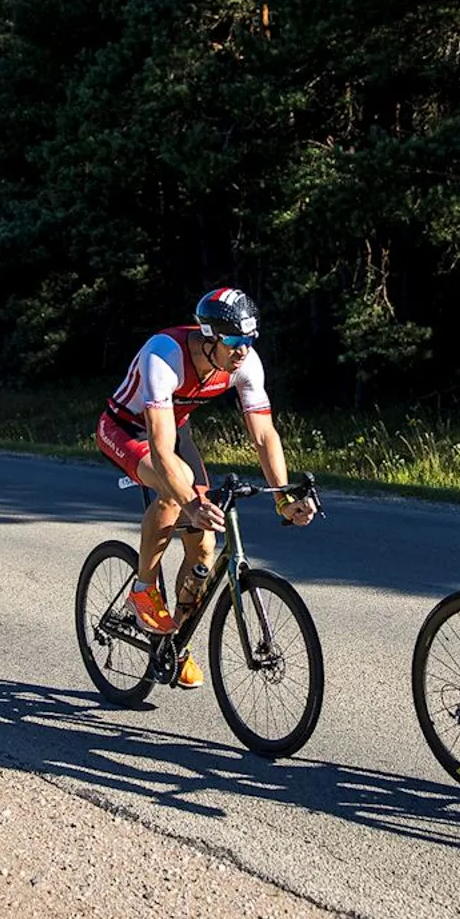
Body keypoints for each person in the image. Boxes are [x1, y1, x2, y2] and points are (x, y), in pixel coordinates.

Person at [97, 287, 318, 689]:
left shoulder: (244, 363)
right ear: (208, 336)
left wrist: (284, 495)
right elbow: (162, 451)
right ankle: (144, 589)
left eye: (250, 340)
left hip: (175, 427)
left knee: (203, 545)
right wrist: (189, 502)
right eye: (234, 341)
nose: (243, 351)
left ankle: (173, 641)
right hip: (125, 429)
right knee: (172, 490)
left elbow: (265, 436)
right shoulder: (164, 355)